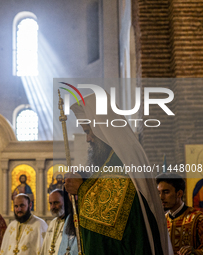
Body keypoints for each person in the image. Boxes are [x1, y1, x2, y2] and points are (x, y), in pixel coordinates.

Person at [64, 93, 172, 255]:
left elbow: (103, 225)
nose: (88, 139)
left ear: (102, 129)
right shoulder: (118, 159)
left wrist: (83, 189)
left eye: (88, 131)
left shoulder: (118, 164)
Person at [156, 173, 203, 254]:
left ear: (179, 194)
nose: (161, 197)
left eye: (166, 192)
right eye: (159, 193)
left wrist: (194, 252)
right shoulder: (160, 221)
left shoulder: (198, 218)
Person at [40, 189, 65, 255]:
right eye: (50, 203)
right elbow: (44, 247)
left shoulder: (71, 223)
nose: (52, 207)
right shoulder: (52, 223)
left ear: (65, 202)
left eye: (56, 203)